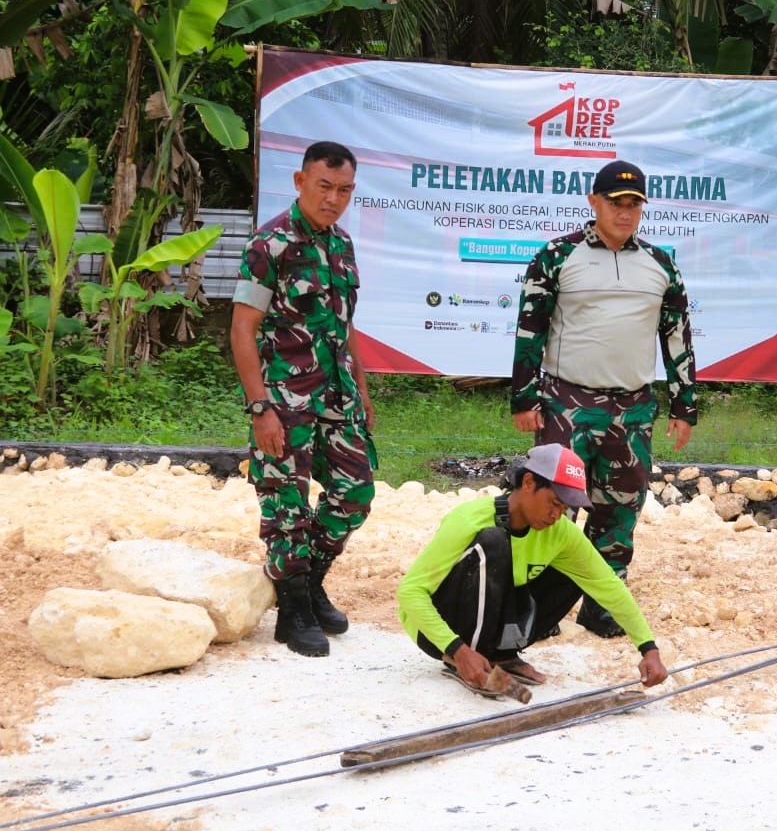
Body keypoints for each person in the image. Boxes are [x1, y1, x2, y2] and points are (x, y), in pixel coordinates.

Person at [510, 159, 697, 637]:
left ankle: (602, 603)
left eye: (634, 204)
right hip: (565, 401)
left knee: (621, 507)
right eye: (616, 202)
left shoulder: (660, 263)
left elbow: (676, 335)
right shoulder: (557, 255)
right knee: (554, 504)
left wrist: (684, 403)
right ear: (594, 202)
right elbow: (530, 329)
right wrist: (524, 399)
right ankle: (535, 601)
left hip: (632, 407)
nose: (625, 212)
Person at [230, 141, 376, 657]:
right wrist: (260, 407)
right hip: (284, 400)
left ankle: (311, 581)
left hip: (338, 394)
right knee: (285, 501)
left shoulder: (341, 245)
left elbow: (344, 323)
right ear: (299, 182)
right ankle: (292, 609)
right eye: (324, 186)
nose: (334, 199)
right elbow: (242, 330)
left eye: (344, 190)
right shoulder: (269, 245)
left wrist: (361, 386)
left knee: (355, 494)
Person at [396, 443, 669, 697]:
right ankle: (470, 660)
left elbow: (608, 585)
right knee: (492, 542)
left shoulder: (559, 532)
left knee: (579, 568)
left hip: (490, 621)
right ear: (528, 483)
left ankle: (501, 654)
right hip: (441, 634)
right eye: (553, 502)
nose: (556, 515)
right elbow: (410, 592)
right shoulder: (468, 520)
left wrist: (648, 648)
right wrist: (457, 649)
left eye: (564, 508)